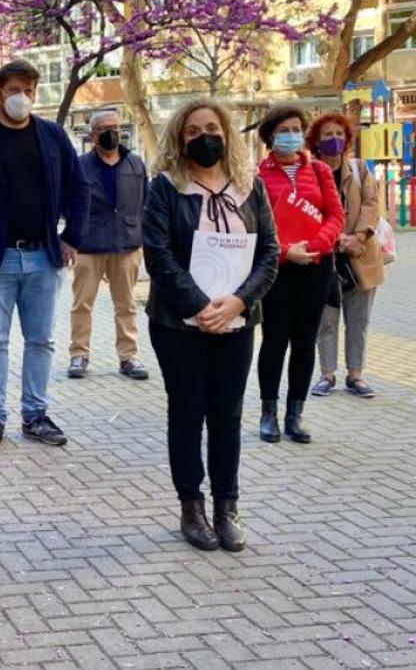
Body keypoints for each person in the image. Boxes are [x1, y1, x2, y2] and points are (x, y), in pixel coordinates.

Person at [143, 97, 278, 552]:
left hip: (238, 321)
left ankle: (227, 506)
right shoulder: (165, 188)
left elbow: (269, 254)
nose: (206, 137)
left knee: (228, 415)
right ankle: (191, 506)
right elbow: (157, 256)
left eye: (213, 128)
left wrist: (238, 301)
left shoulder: (249, 186)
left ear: (227, 133)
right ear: (180, 139)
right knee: (187, 413)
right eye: (194, 131)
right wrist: (202, 307)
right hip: (178, 323)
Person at [0, 59, 88, 449]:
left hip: (42, 257)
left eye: (29, 91)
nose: (22, 98)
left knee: (41, 340)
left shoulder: (51, 136)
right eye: (14, 90)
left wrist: (72, 237)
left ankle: (35, 414)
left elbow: (78, 188)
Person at [254, 105, 344, 444]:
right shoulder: (258, 176)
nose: (292, 134)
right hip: (279, 269)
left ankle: (295, 414)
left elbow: (335, 215)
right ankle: (268, 414)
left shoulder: (319, 171)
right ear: (270, 136)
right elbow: (257, 226)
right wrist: (285, 251)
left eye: (297, 128)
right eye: (284, 129)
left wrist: (318, 245)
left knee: (305, 342)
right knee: (274, 341)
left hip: (316, 267)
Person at [67, 110, 150, 381]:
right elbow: (68, 205)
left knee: (126, 304)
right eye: (103, 128)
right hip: (88, 245)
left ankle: (128, 357)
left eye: (114, 127)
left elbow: (145, 203)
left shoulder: (135, 164)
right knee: (82, 304)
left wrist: (142, 236)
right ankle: (79, 355)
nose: (110, 132)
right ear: (92, 135)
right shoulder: (79, 166)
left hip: (126, 245)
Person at [307, 113, 385, 399]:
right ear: (316, 141)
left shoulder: (360, 168)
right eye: (327, 135)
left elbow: (372, 203)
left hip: (360, 255)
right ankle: (327, 374)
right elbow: (308, 209)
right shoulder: (310, 172)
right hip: (326, 256)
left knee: (359, 319)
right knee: (326, 318)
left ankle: (356, 374)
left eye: (339, 134)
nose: (334, 140)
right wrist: (335, 237)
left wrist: (359, 236)